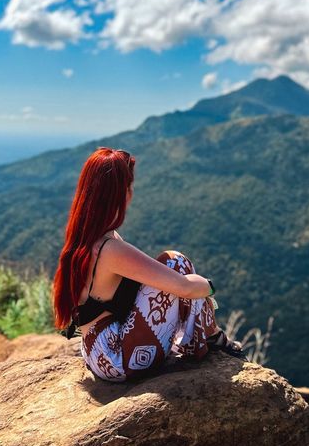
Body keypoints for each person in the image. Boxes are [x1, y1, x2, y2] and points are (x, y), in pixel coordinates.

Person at [52, 147, 243, 381]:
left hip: (97, 350)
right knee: (177, 264)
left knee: (174, 267)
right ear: (122, 193)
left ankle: (211, 336)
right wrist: (210, 287)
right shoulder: (110, 249)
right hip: (117, 358)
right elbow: (185, 288)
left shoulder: (87, 237)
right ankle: (211, 337)